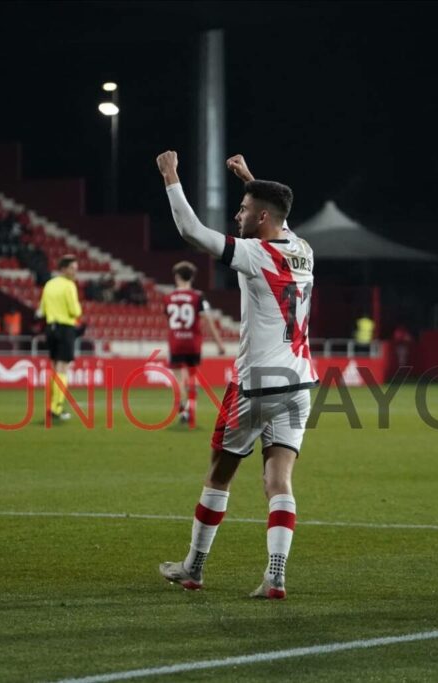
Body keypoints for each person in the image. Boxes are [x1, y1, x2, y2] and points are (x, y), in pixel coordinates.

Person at [157, 151, 317, 600]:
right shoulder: (303, 250)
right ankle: (276, 574)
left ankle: (193, 567)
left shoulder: (255, 252)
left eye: (244, 210)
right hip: (301, 382)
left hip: (256, 382)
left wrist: (171, 177)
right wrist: (250, 180)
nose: (236, 215)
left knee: (219, 473)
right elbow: (280, 219)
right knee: (278, 481)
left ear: (262, 218)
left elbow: (191, 232)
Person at [163, 261, 226, 425]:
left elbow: (169, 321)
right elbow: (208, 321)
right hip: (193, 342)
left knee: (177, 378)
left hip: (176, 342)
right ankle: (191, 408)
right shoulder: (198, 296)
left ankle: (182, 409)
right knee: (192, 376)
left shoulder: (168, 298)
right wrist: (219, 343)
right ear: (191, 277)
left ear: (177, 277)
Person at [38, 255, 82, 421]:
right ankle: (57, 408)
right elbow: (75, 311)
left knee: (55, 368)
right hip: (65, 328)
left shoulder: (49, 284)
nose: (75, 272)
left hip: (50, 328)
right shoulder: (69, 285)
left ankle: (51, 406)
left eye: (76, 269)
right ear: (63, 269)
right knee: (63, 368)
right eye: (72, 268)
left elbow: (41, 310)